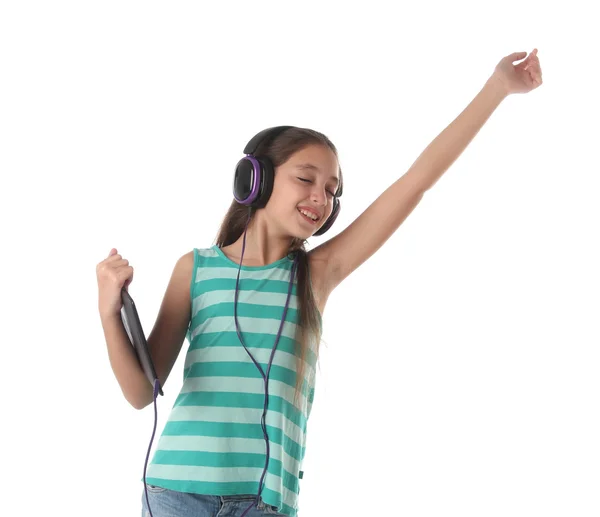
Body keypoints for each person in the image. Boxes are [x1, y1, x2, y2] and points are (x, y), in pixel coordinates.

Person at [96, 49, 543, 517]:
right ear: (256, 181)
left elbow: (415, 182)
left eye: (332, 190)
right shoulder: (196, 268)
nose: (321, 198)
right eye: (306, 179)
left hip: (264, 502)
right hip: (175, 491)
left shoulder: (314, 275)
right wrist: (109, 313)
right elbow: (140, 393)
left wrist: (497, 89)